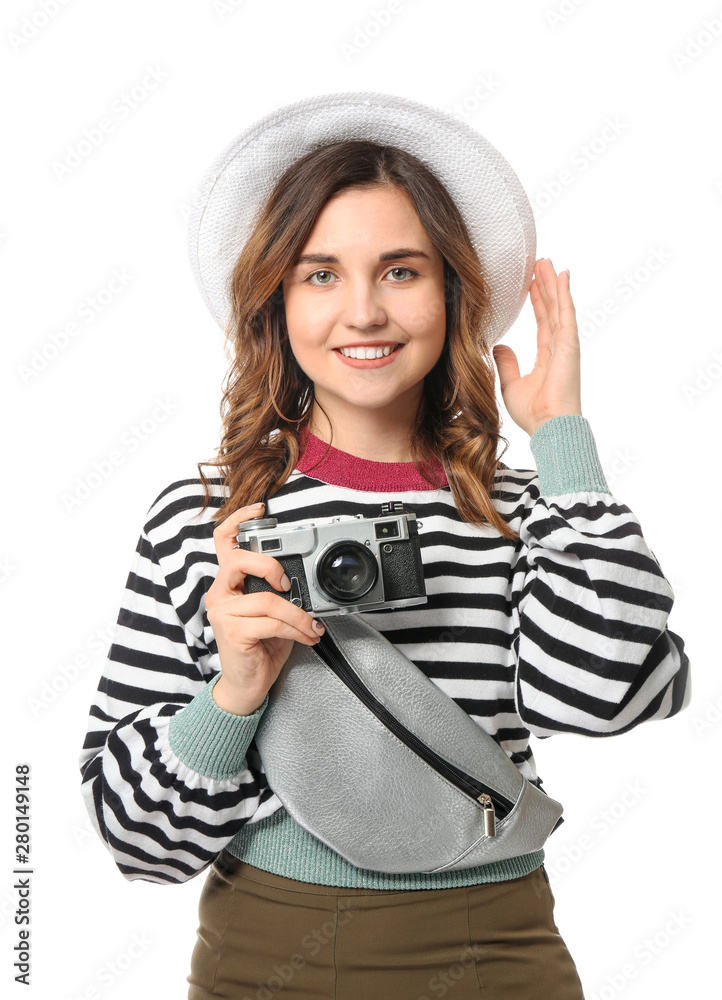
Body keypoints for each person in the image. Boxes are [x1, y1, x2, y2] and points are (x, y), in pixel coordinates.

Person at [78, 92, 691, 1000]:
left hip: (501, 951)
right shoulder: (205, 518)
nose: (362, 311)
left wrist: (562, 438)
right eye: (320, 274)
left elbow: (601, 700)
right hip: (270, 951)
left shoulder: (523, 513)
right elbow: (135, 843)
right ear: (276, 302)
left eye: (400, 271)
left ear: (451, 293)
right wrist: (236, 690)